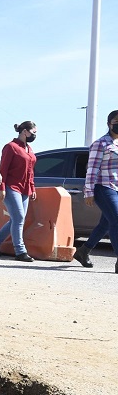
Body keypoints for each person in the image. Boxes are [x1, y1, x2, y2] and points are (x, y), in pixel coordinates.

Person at [0, 121, 37, 262]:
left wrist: (32, 187)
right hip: (11, 187)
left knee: (17, 219)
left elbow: (31, 172)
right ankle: (20, 251)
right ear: (24, 132)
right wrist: (1, 187)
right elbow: (2, 170)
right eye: (33, 132)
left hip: (25, 189)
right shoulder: (11, 147)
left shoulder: (29, 149)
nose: (35, 135)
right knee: (19, 218)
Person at [82, 109, 118, 274]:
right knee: (116, 221)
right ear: (109, 124)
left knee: (105, 223)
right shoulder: (100, 143)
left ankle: (83, 251)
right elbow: (92, 169)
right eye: (116, 122)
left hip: (116, 187)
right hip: (103, 187)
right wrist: (88, 191)